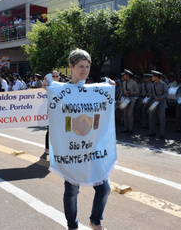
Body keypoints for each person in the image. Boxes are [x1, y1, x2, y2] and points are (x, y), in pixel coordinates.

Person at [43, 49, 113, 230]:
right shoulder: (60, 91)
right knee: (72, 190)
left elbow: (101, 117)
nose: (84, 70)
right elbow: (57, 117)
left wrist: (111, 89)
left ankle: (95, 220)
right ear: (71, 66)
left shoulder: (95, 91)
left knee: (104, 188)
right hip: (72, 150)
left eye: (87, 66)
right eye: (81, 66)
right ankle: (72, 225)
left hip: (92, 149)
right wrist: (47, 89)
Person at [146, 70, 168, 139]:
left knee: (161, 118)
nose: (152, 77)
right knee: (151, 117)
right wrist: (147, 101)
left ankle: (162, 133)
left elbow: (166, 93)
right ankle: (152, 131)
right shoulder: (153, 85)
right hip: (154, 102)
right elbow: (152, 94)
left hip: (161, 103)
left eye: (153, 76)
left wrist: (160, 98)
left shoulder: (163, 84)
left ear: (156, 77)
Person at [44, 71, 60, 154]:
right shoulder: (48, 86)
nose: (55, 77)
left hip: (61, 112)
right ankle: (47, 148)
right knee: (50, 130)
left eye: (57, 76)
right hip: (51, 111)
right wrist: (44, 82)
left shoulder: (62, 86)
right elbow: (43, 88)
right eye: (53, 76)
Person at [120, 69, 139, 134]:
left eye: (124, 75)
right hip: (125, 98)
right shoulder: (124, 83)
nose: (124, 76)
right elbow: (122, 91)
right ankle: (126, 128)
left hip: (131, 98)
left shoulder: (134, 83)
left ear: (128, 75)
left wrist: (131, 92)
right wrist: (120, 96)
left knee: (130, 114)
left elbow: (137, 91)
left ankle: (130, 129)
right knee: (125, 114)